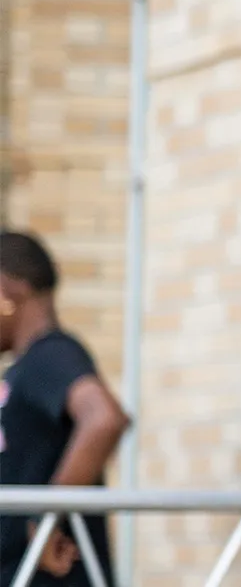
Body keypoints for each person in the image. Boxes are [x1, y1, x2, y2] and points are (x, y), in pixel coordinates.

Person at [0, 232, 130, 586]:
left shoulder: (50, 354)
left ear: (8, 290)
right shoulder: (29, 365)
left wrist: (46, 520)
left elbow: (104, 418)